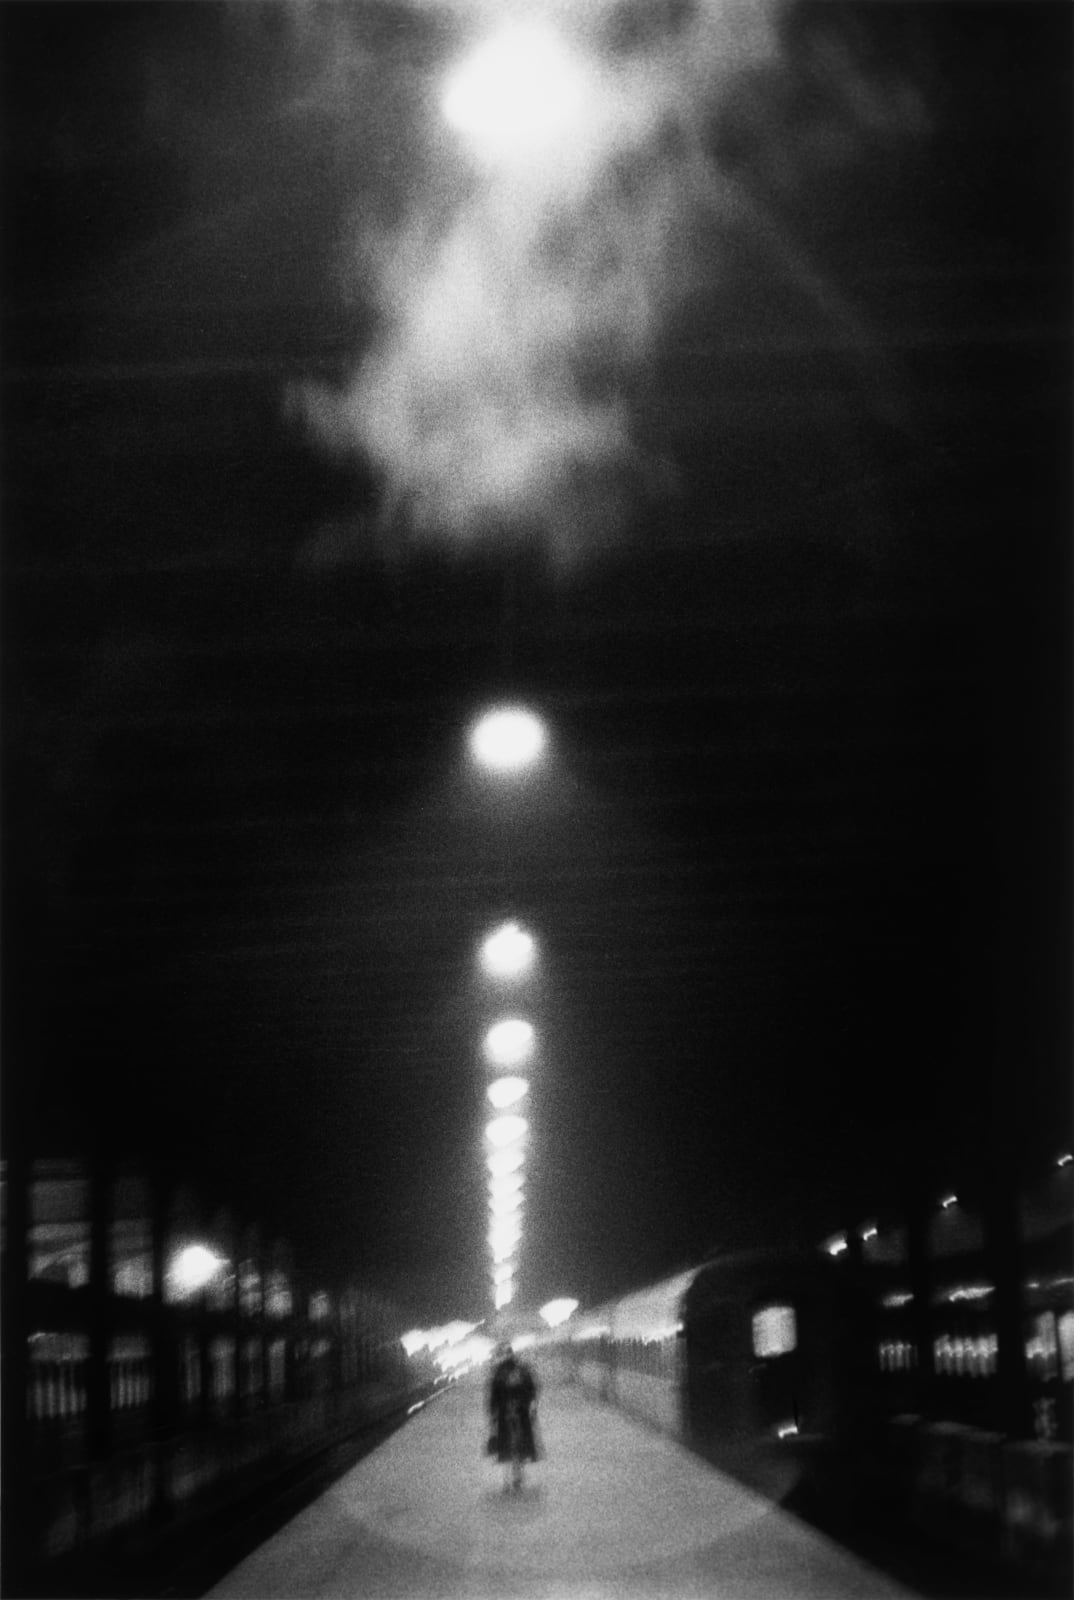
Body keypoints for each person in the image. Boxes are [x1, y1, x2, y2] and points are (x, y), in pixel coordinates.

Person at [487, 1343, 538, 1491]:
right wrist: (531, 1406)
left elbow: (494, 1395)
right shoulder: (522, 1369)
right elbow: (531, 1389)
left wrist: (492, 1414)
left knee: (505, 1447)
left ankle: (508, 1479)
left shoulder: (499, 1372)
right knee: (522, 1444)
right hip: (521, 1411)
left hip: (504, 1413)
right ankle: (517, 1476)